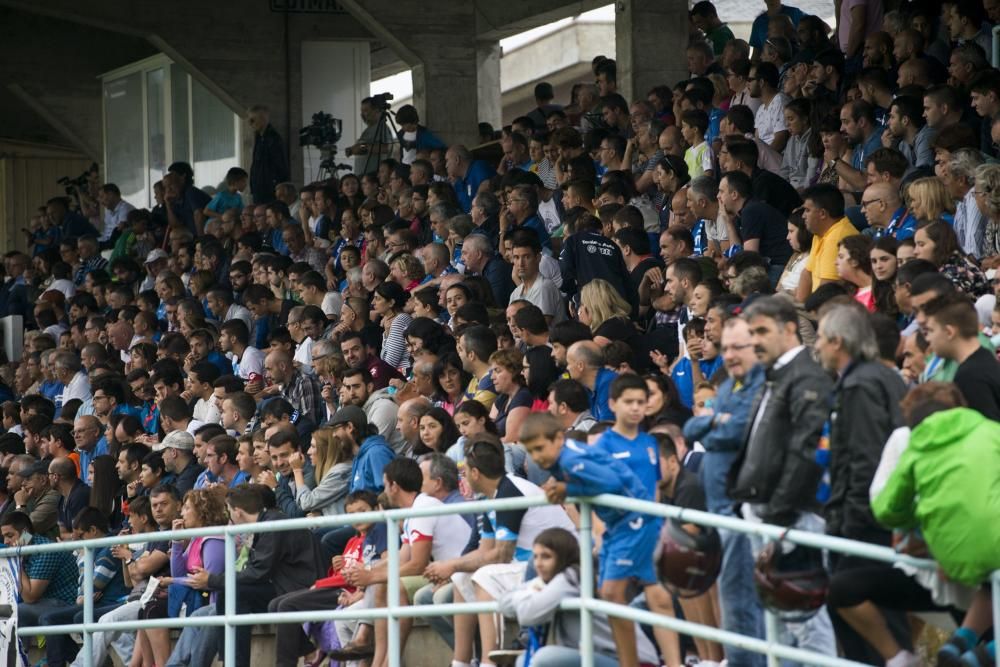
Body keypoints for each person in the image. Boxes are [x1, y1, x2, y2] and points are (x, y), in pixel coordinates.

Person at [521, 413, 680, 667]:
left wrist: (567, 490)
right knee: (648, 595)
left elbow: (612, 482)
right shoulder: (563, 455)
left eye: (540, 448)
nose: (537, 456)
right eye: (531, 451)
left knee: (613, 593)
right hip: (620, 525)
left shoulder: (571, 459)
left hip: (634, 520)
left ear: (559, 439)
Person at [727, 295, 837, 658]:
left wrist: (777, 510)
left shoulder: (807, 376)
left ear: (789, 329)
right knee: (786, 621)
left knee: (805, 619)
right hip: (770, 511)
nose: (755, 340)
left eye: (762, 331)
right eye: (752, 332)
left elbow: (808, 452)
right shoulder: (779, 373)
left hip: (791, 516)